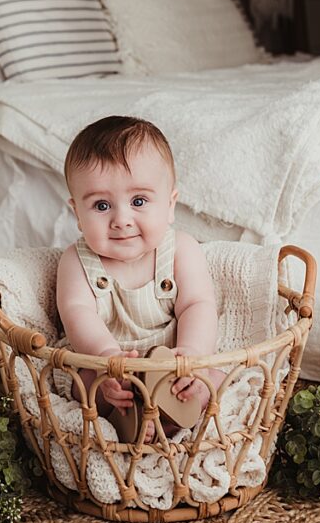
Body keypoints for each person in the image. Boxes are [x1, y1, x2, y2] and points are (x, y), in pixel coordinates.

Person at [56, 115, 224, 441]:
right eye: (101, 205)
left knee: (213, 380)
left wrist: (192, 355)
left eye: (138, 201)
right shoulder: (76, 261)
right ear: (77, 213)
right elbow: (77, 314)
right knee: (85, 386)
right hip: (109, 369)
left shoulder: (181, 250)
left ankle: (165, 419)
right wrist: (107, 359)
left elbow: (197, 304)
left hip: (170, 367)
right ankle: (130, 419)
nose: (122, 219)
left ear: (170, 205)